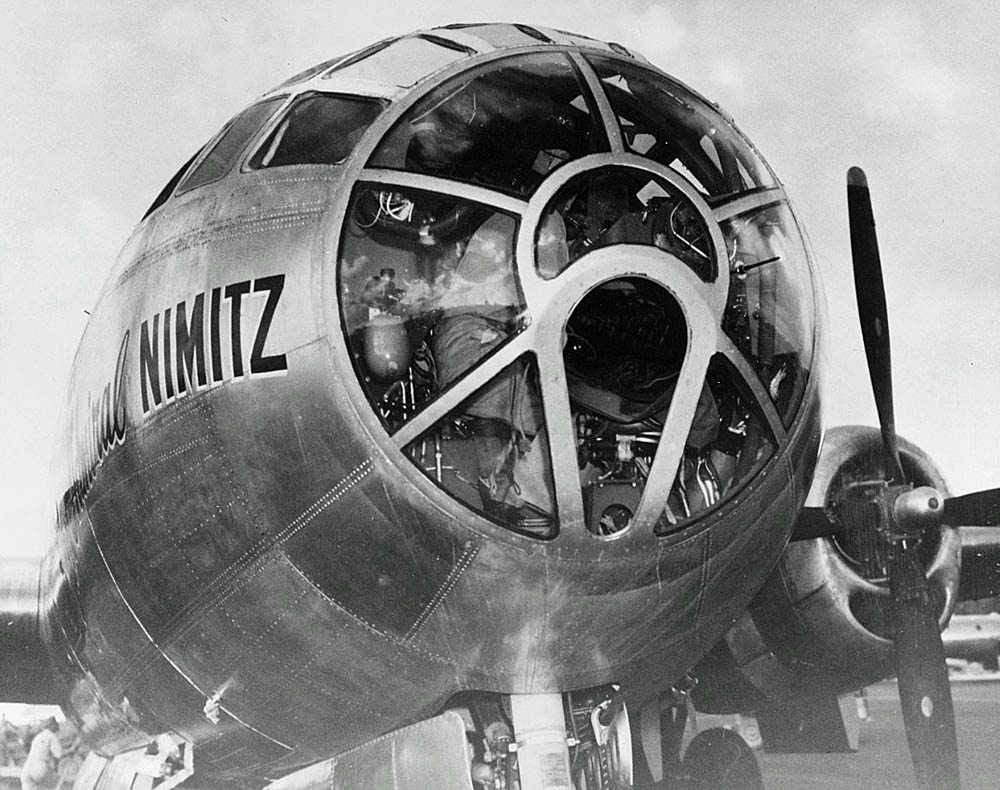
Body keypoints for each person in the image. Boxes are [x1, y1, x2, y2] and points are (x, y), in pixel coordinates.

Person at [20, 717, 61, 790]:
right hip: (39, 768)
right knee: (56, 784)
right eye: (56, 725)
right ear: (51, 726)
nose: (58, 726)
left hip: (27, 768)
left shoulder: (38, 736)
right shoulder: (51, 736)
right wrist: (72, 748)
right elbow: (59, 755)